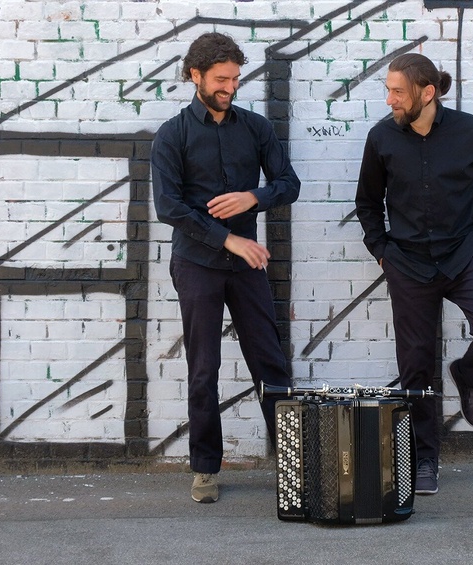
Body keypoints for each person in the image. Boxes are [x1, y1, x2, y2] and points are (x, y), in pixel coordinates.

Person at [355, 53, 473, 495]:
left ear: (428, 93)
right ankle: (424, 461)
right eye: (388, 90)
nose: (390, 100)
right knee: (416, 366)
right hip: (407, 262)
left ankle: (467, 375)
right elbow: (367, 203)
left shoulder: (470, 131)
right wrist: (382, 252)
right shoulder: (381, 138)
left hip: (465, 254)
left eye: (398, 92)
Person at [150, 32, 300, 503]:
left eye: (235, 78)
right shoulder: (172, 135)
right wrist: (228, 238)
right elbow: (169, 207)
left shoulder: (255, 128)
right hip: (197, 263)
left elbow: (288, 183)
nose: (230, 87)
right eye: (221, 79)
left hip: (246, 265)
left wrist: (254, 196)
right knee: (204, 369)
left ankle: (295, 464)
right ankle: (205, 469)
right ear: (194, 75)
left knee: (270, 362)